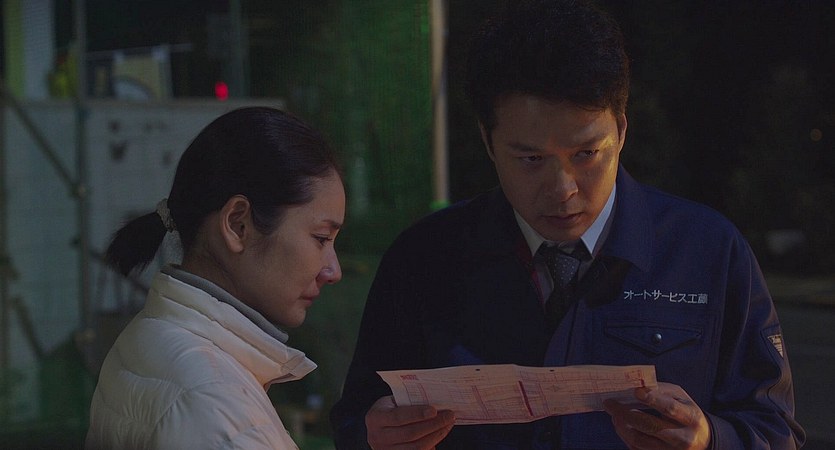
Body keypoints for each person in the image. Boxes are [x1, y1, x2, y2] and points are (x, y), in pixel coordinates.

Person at [330, 1, 805, 449]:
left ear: (621, 130)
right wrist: (372, 436)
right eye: (531, 159)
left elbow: (775, 430)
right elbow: (356, 418)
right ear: (488, 142)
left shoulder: (707, 251)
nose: (563, 189)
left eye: (586, 154)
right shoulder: (424, 258)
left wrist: (710, 438)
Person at [85, 106, 346, 450]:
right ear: (238, 225)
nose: (333, 271)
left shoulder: (149, 336)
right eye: (321, 238)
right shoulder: (216, 409)